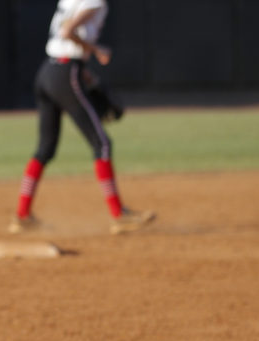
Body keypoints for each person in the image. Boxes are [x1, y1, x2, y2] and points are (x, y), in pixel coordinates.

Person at [10, 0, 154, 235]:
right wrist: (96, 50)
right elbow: (67, 32)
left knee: (45, 149)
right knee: (102, 144)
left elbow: (62, 33)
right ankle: (119, 215)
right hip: (66, 71)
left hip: (47, 71)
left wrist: (83, 70)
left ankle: (22, 215)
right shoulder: (95, 2)